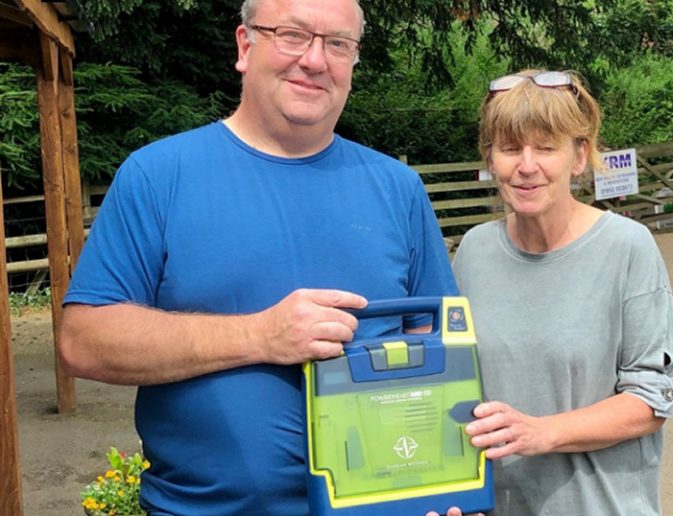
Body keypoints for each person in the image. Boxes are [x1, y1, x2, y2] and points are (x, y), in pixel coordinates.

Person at [58, 0, 462, 514]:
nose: (315, 60)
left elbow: (441, 352)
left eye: (338, 44)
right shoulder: (159, 176)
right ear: (245, 46)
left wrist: (443, 484)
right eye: (293, 35)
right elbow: (84, 342)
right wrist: (259, 336)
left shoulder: (398, 189)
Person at [453, 69, 673, 515]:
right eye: (510, 147)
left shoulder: (627, 247)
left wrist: (542, 432)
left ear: (579, 156)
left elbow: (651, 400)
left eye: (546, 147)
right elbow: (456, 384)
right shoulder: (473, 251)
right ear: (490, 158)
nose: (526, 165)